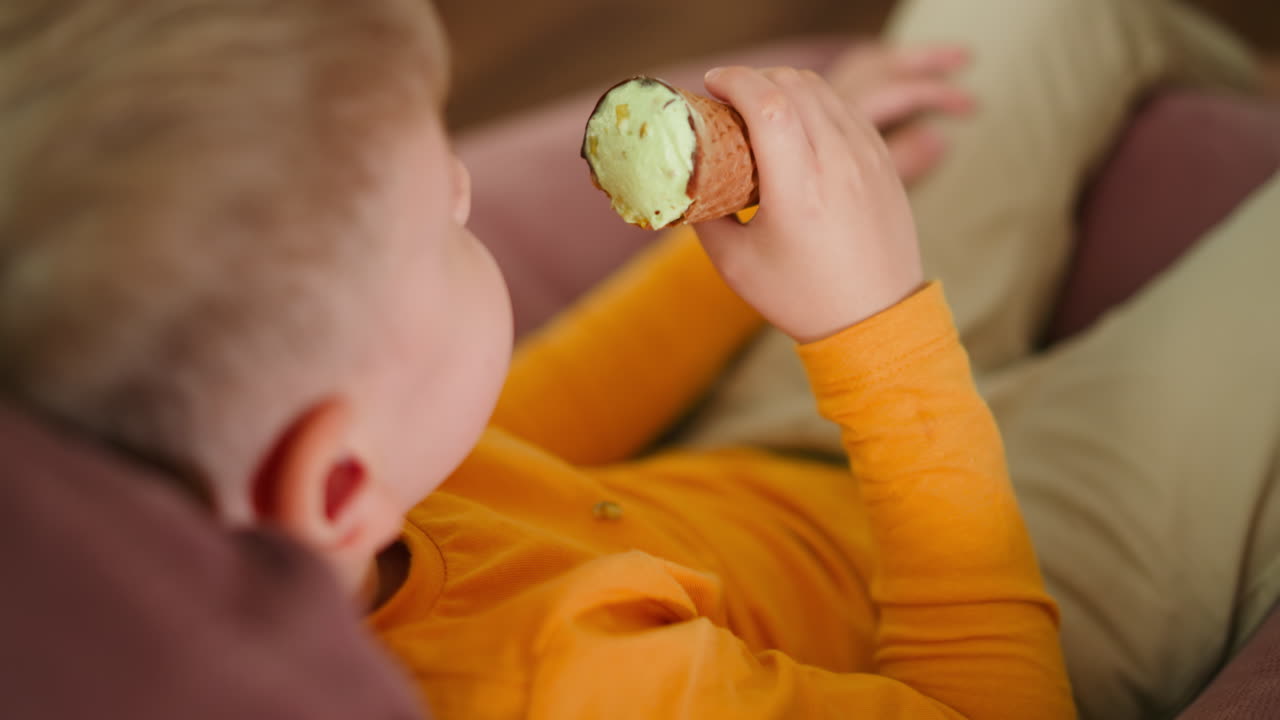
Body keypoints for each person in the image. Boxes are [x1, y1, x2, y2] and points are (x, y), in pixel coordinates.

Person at [0, 0, 1073, 718]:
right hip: (998, 580)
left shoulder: (378, 497)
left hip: (794, 441)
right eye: (439, 222)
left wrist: (756, 251)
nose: (470, 188)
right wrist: (872, 325)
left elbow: (546, 415)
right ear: (331, 483)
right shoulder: (579, 687)